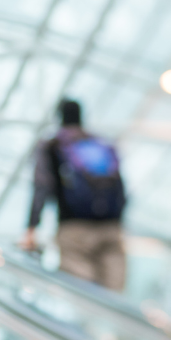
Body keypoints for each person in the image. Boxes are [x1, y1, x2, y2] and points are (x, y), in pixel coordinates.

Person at [20, 99, 127, 291]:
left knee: (80, 293)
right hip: (111, 227)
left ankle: (86, 321)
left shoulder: (53, 146)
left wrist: (31, 227)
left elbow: (42, 186)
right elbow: (120, 183)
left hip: (74, 229)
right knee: (114, 295)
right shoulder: (100, 144)